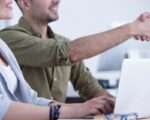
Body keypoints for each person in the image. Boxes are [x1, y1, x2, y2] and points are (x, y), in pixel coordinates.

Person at [0, 0, 116, 120]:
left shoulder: (2, 47)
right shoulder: (9, 38)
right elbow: (2, 107)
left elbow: (30, 98)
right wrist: (76, 110)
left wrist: (89, 107)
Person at [1, 0, 150, 105]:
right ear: (25, 2)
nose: (57, 1)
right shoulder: (8, 38)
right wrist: (131, 29)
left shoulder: (63, 42)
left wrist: (124, 108)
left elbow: (90, 88)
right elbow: (67, 53)